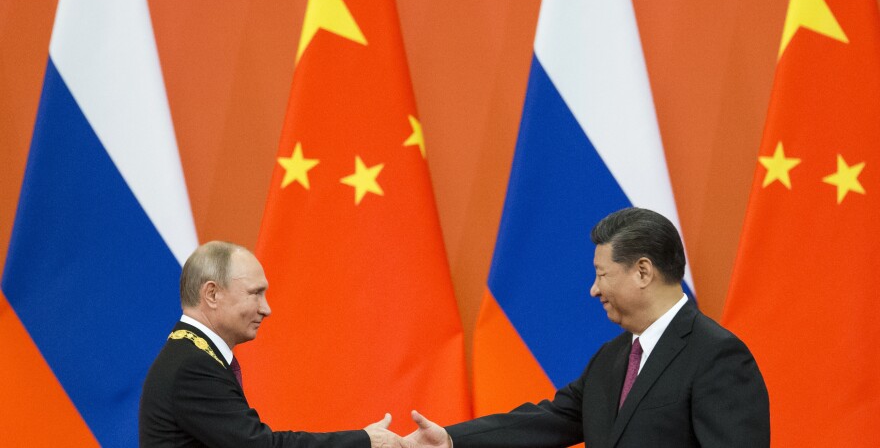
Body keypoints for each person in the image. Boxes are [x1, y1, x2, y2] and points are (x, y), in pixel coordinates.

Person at [404, 207, 770, 448]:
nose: (593, 289)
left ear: (643, 272)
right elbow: (548, 420)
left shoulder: (716, 356)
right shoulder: (611, 359)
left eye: (601, 274)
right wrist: (450, 439)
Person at [139, 241, 405, 448]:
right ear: (212, 294)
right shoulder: (193, 366)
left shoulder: (191, 355)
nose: (266, 309)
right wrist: (366, 441)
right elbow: (260, 445)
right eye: (255, 293)